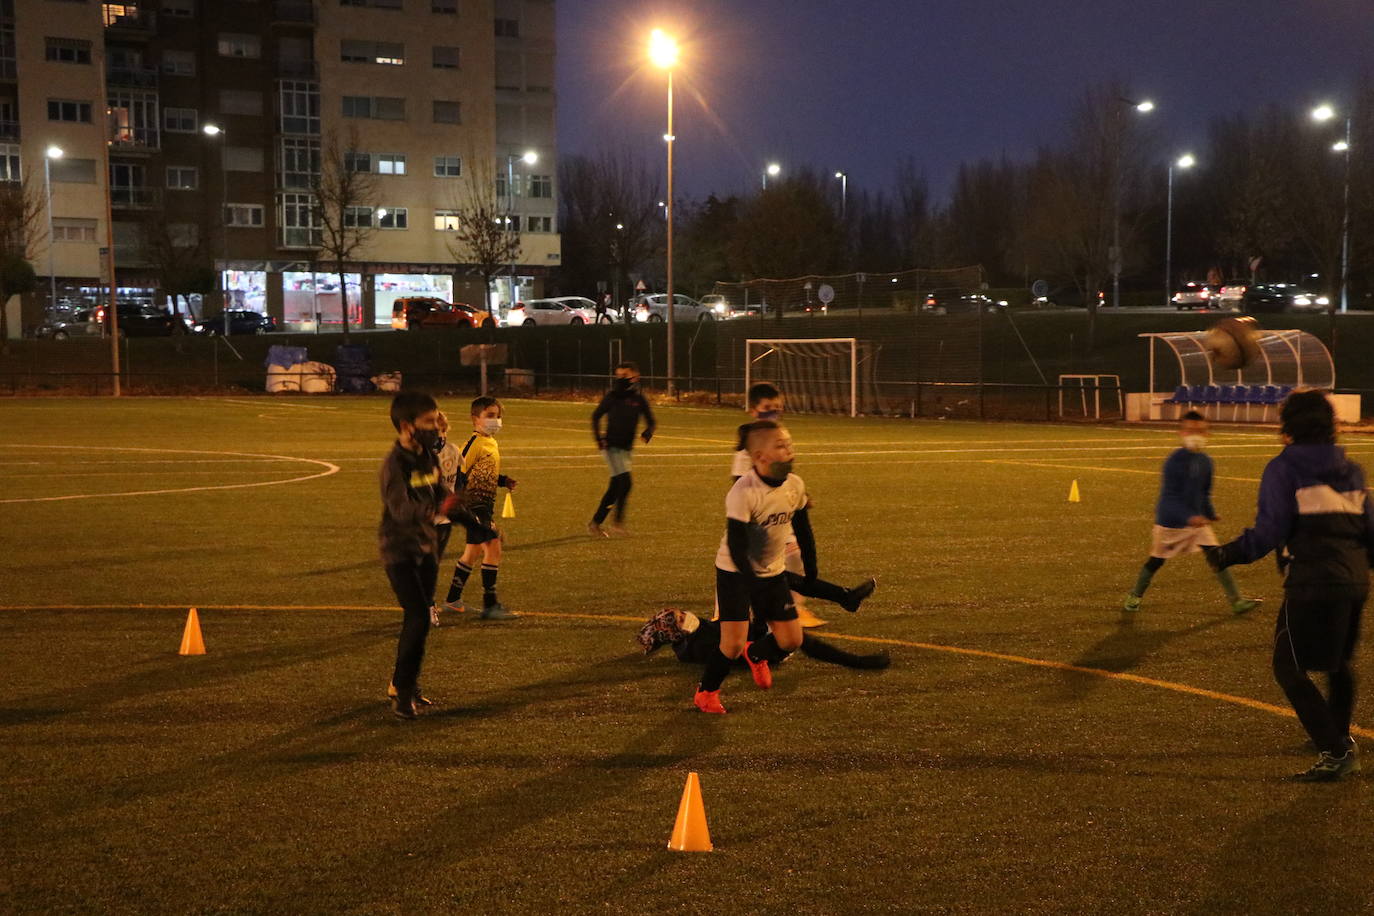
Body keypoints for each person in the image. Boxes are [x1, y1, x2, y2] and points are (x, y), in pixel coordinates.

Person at [1206, 391, 1374, 781]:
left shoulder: (1284, 468)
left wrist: (1229, 553)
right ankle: (1338, 736)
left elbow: (1271, 530)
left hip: (1314, 582)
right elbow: (1369, 529)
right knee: (1337, 663)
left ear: (1289, 426)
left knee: (1288, 667)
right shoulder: (1351, 468)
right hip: (1354, 581)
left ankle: (1335, 750)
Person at [727, 382, 876, 626]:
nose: (773, 412)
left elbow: (783, 479)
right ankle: (753, 614)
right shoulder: (750, 447)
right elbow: (742, 485)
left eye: (777, 407)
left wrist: (797, 497)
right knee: (757, 569)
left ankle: (804, 606)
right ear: (753, 410)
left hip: (778, 517)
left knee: (786, 564)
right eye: (767, 408)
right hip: (759, 523)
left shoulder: (778, 439)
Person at [695, 419, 811, 714]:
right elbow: (736, 546)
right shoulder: (743, 492)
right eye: (781, 446)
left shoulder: (795, 485)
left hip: (772, 572)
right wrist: (753, 586)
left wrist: (812, 570)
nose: (790, 450)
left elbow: (804, 528)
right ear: (760, 457)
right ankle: (706, 692)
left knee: (791, 639)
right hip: (736, 573)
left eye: (790, 444)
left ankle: (756, 653)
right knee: (730, 645)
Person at [1122, 410, 1261, 615]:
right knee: (1157, 560)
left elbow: (1204, 493)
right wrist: (1188, 517)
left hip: (1197, 521)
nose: (1195, 435)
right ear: (1182, 433)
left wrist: (1210, 513)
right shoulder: (1173, 462)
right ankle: (1134, 595)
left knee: (1217, 556)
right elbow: (1169, 499)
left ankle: (1237, 601)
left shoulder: (1206, 461)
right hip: (1171, 522)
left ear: (1207, 434)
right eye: (1190, 431)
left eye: (1200, 431)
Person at [377, 390, 447, 720]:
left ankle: (403, 684)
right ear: (407, 426)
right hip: (399, 551)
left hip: (427, 549)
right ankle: (403, 694)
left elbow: (441, 493)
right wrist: (436, 508)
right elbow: (401, 508)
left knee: (418, 622)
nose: (436, 427)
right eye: (429, 422)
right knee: (418, 617)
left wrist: (479, 524)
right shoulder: (394, 465)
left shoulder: (426, 456)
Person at [441, 396, 519, 620]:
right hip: (474, 506)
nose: (495, 420)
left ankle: (453, 600)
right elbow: (459, 474)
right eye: (490, 416)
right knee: (493, 546)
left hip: (485, 505)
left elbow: (484, 472)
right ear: (475, 419)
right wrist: (460, 505)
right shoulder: (474, 444)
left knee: (473, 551)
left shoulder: (490, 442)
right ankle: (490, 604)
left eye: (498, 416)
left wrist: (503, 480)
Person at [638, 607, 890, 669]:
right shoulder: (697, 646)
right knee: (799, 638)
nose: (685, 614)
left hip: (755, 638)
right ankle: (858, 662)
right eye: (680, 616)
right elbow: (736, 648)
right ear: (674, 632)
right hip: (757, 652)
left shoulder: (690, 638)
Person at [588, 362, 656, 537]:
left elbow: (651, 421)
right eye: (618, 376)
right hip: (611, 447)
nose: (620, 379)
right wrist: (599, 439)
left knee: (615, 486)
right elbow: (595, 416)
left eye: (624, 376)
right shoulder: (612, 397)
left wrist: (648, 432)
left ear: (635, 377)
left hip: (625, 449)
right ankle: (617, 524)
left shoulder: (638, 399)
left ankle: (596, 523)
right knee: (625, 483)